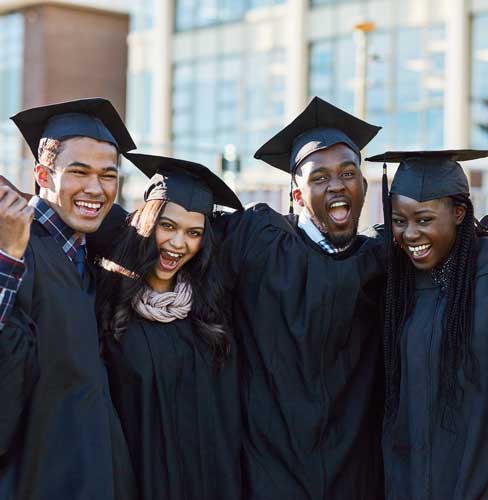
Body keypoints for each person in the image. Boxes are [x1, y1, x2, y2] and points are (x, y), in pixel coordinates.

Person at [218, 96, 386, 499]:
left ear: (363, 187)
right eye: (319, 178)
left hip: (353, 472)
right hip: (271, 470)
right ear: (296, 196)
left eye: (348, 173)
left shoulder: (381, 263)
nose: (336, 185)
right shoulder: (258, 243)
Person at [365, 149, 488, 499]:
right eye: (399, 221)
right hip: (413, 481)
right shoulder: (396, 282)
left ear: (460, 213)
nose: (409, 234)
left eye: (423, 219)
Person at [0, 98, 138, 499]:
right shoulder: (15, 245)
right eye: (79, 172)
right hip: (33, 475)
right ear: (43, 175)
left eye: (108, 175)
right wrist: (8, 256)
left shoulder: (86, 251)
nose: (95, 188)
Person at [93, 153, 244, 500]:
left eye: (193, 233)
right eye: (168, 226)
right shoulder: (108, 307)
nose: (178, 244)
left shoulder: (211, 313)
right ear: (148, 223)